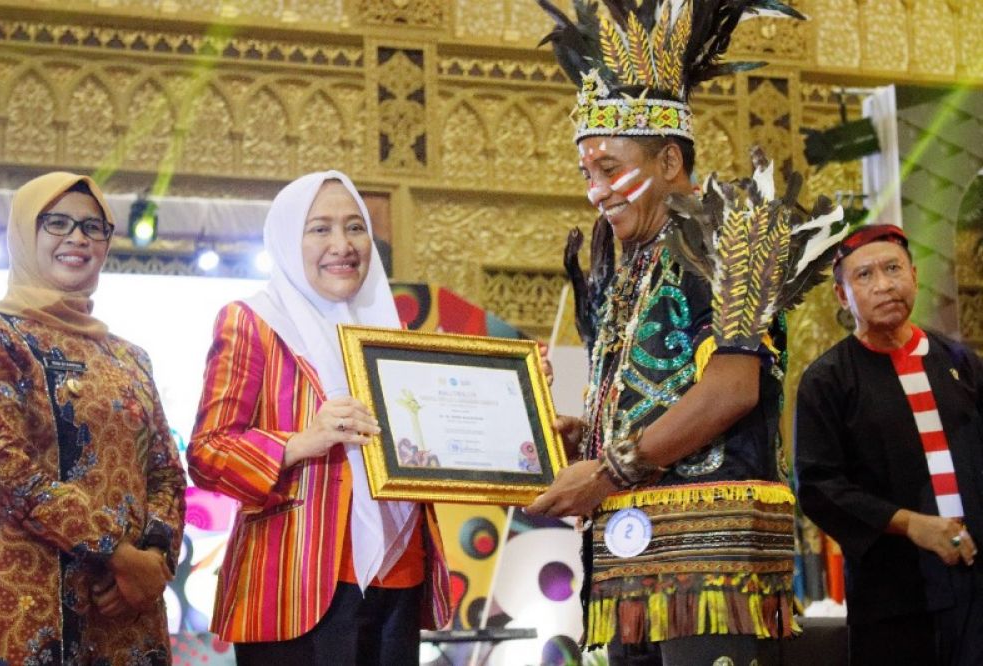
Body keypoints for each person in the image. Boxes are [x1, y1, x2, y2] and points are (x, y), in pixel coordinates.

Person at [525, 2, 832, 664]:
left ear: (669, 160)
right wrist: (589, 435)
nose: (597, 192)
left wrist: (607, 469)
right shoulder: (631, 265)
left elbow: (732, 389)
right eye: (587, 175)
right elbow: (662, 389)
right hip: (631, 558)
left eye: (611, 169)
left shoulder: (724, 240)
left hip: (709, 563)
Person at [186, 170, 451, 665]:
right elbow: (207, 451)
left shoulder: (392, 331)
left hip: (399, 575)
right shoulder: (253, 321)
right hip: (293, 579)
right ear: (289, 239)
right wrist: (298, 442)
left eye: (355, 227)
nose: (342, 245)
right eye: (320, 229)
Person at [0, 172, 186, 664]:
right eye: (57, 223)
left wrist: (153, 560)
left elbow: (166, 472)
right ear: (25, 233)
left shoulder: (130, 357)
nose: (77, 237)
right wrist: (118, 556)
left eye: (93, 227)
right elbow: (3, 463)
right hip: (30, 602)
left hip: (128, 613)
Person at [795, 224, 983, 666]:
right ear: (842, 296)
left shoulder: (961, 362)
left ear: (914, 276)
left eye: (893, 269)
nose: (883, 285)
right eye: (864, 275)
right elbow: (819, 487)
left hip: (976, 584)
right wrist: (911, 524)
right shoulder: (828, 380)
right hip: (893, 595)